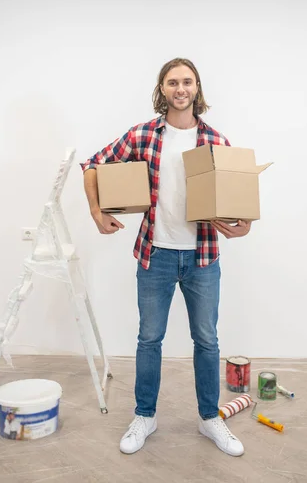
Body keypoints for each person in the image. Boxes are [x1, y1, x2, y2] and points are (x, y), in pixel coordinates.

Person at [81, 57, 251, 457]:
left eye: (187, 82)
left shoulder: (216, 143)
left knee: (207, 341)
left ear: (197, 89)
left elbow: (240, 204)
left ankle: (211, 418)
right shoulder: (143, 135)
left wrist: (245, 227)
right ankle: (145, 416)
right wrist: (96, 210)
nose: (180, 89)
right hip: (154, 256)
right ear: (162, 89)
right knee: (149, 340)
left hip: (202, 258)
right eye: (172, 82)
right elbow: (92, 164)